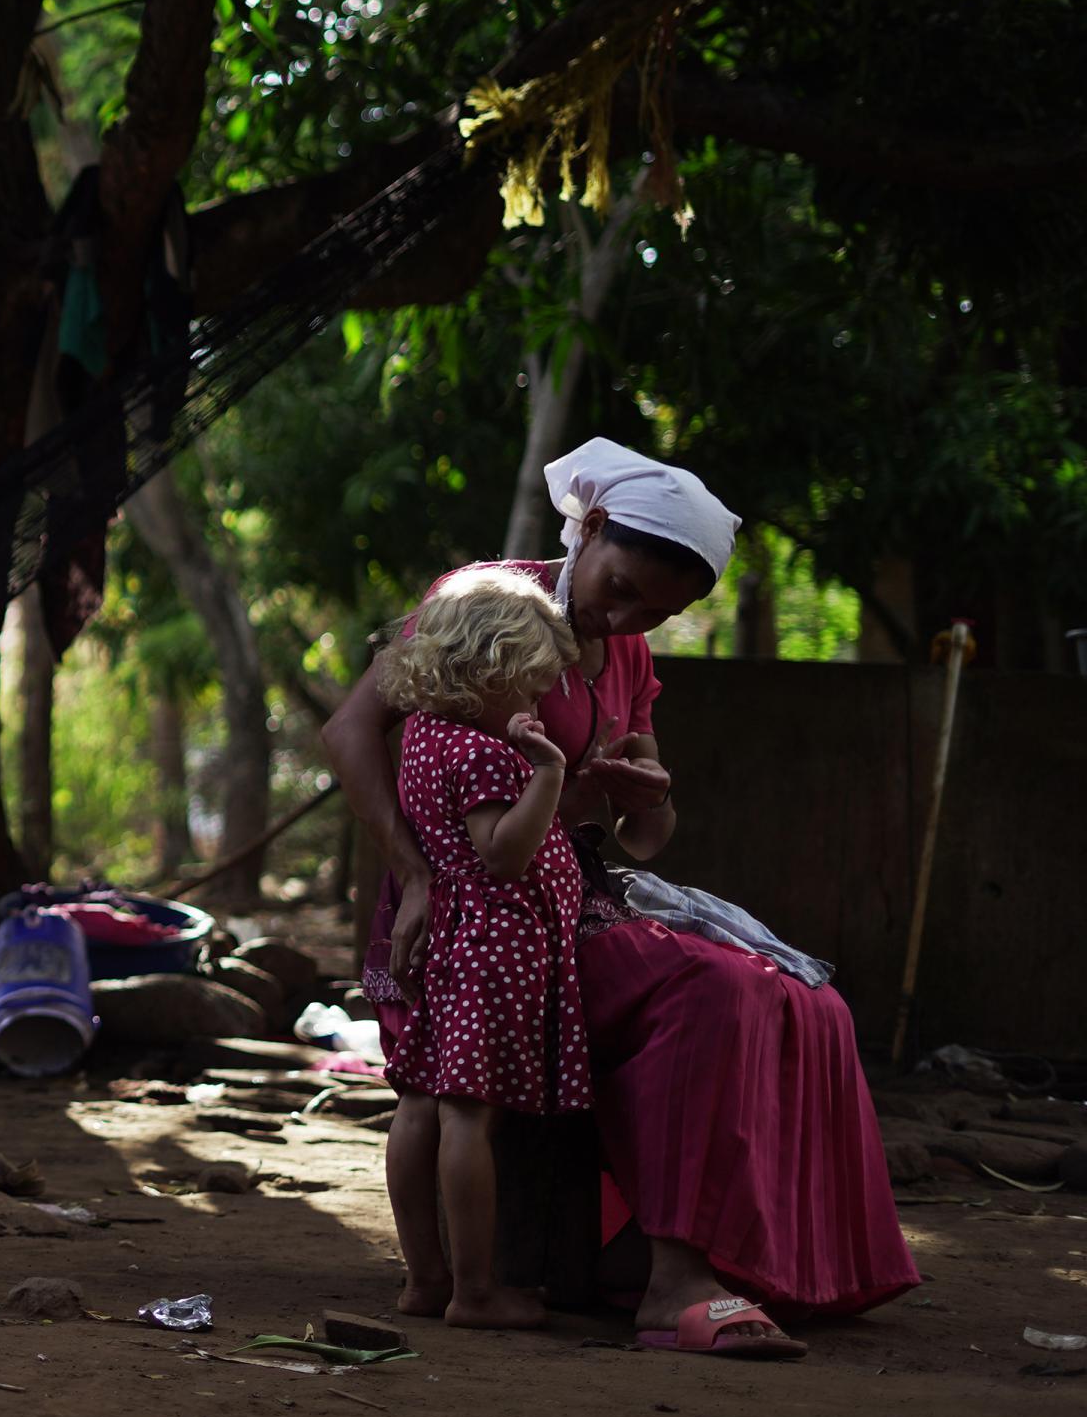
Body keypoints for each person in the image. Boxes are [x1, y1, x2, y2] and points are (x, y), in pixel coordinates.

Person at [322, 438, 917, 1359]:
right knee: (719, 991)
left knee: (807, 999)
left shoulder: (629, 654)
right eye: (624, 587)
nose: (630, 617)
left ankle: (781, 1269)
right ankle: (671, 1282)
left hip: (573, 899)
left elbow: (641, 841)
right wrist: (415, 877)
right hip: (488, 916)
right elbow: (352, 729)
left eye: (658, 612)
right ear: (590, 526)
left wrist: (652, 795)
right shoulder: (486, 602)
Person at [371, 568, 597, 1330]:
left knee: (423, 1102)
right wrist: (549, 772)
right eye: (531, 687)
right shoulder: (487, 754)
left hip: (453, 943)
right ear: (489, 672)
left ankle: (424, 1279)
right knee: (471, 1114)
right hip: (496, 949)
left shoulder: (425, 735)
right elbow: (502, 853)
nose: (537, 704)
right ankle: (475, 1292)